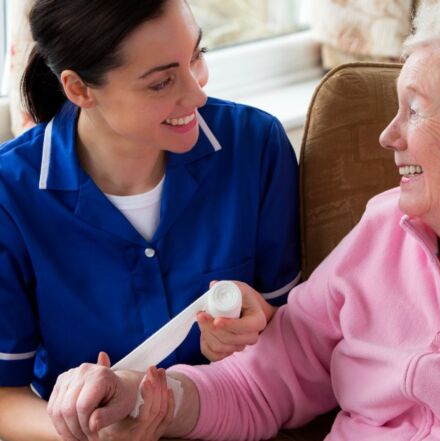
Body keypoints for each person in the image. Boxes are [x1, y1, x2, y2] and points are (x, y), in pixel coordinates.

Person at [48, 0, 440, 440]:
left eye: (413, 110)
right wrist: (150, 399)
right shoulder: (381, 230)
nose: (388, 135)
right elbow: (263, 381)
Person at [0, 0, 300, 439]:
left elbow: (301, 330)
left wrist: (262, 322)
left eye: (197, 55)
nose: (198, 94)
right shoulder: (11, 194)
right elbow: (5, 398)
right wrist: (90, 433)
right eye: (161, 82)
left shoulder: (255, 146)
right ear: (80, 88)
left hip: (233, 422)